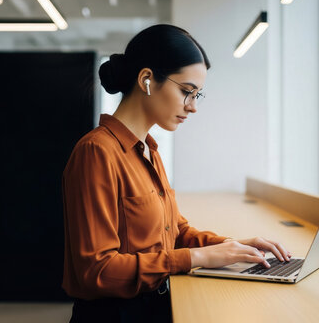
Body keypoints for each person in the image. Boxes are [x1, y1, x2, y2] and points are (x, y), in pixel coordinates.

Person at [61, 24, 291, 322]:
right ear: (146, 80)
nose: (193, 107)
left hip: (153, 305)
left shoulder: (149, 150)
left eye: (197, 95)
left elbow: (176, 234)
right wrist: (199, 258)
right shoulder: (97, 152)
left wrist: (231, 246)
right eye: (186, 92)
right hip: (116, 315)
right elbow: (97, 271)